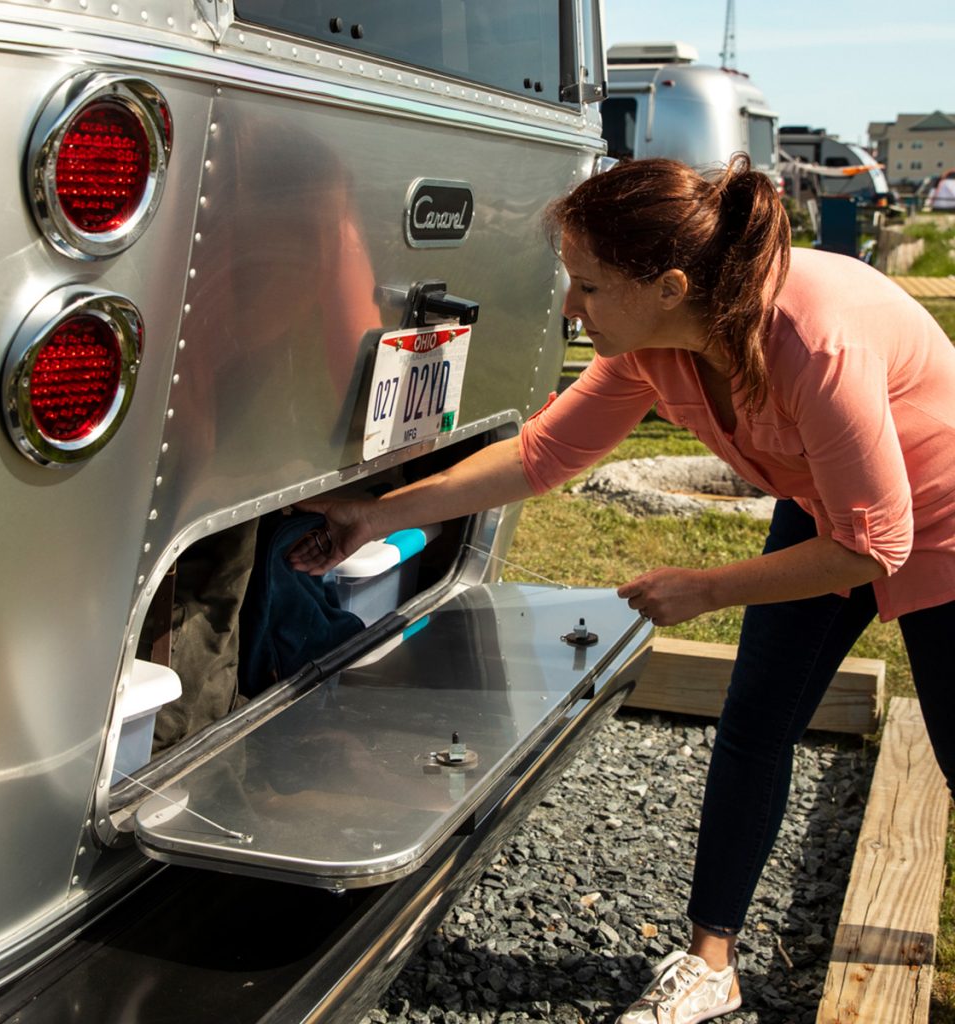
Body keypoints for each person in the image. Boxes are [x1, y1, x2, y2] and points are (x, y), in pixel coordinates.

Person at [289, 155, 955, 1024]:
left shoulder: (811, 341)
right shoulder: (655, 346)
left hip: (938, 509)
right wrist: (377, 514)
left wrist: (706, 588)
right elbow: (542, 456)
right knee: (756, 721)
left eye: (590, 287)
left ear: (671, 285)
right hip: (829, 507)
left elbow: (876, 542)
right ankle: (712, 963)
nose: (571, 306)